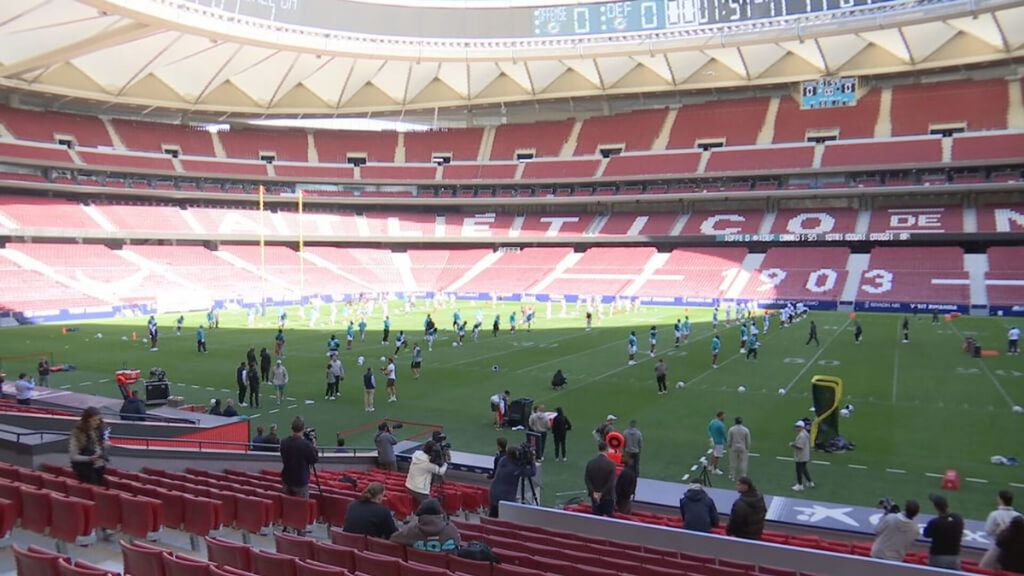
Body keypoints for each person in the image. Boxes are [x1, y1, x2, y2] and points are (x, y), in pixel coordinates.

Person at [390, 498, 460, 553]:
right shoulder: (452, 530)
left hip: (416, 569)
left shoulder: (411, 530)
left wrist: (410, 525)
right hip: (444, 569)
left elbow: (393, 538)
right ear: (440, 513)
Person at [489, 444, 537, 517]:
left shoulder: (503, 460)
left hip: (494, 492)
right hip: (505, 497)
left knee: (493, 513)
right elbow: (532, 472)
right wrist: (532, 462)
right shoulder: (515, 469)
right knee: (504, 517)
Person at [280, 416, 319, 499]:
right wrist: (314, 446)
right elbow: (314, 459)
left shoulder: (284, 442)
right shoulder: (306, 445)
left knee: (288, 504)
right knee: (301, 507)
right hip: (300, 481)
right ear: (303, 429)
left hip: (286, 478)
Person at [981, 490, 1021, 568]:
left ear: (1000, 499)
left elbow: (988, 530)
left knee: (984, 567)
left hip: (998, 546)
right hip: (1015, 549)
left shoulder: (994, 515)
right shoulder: (1019, 516)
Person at [69, 407, 109, 485]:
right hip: (84, 469)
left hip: (98, 468)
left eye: (98, 420)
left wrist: (104, 447)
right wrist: (89, 459)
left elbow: (100, 448)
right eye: (94, 420)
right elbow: (73, 456)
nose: (97, 422)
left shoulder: (99, 430)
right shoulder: (78, 433)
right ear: (87, 420)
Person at [924, 494, 964, 570]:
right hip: (954, 556)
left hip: (938, 557)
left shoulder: (935, 522)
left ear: (935, 507)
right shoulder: (958, 518)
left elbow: (926, 534)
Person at [405, 440, 447, 506]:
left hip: (408, 486)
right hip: (420, 491)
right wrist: (445, 463)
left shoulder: (417, 454)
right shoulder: (427, 463)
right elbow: (441, 471)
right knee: (430, 507)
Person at [584, 441, 616, 517]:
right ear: (606, 449)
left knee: (596, 519)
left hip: (594, 497)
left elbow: (587, 479)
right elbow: (610, 483)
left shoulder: (591, 463)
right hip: (607, 497)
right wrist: (601, 493)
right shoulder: (611, 464)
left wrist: (593, 492)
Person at [790, 420, 814, 491]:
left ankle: (800, 485)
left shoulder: (801, 435)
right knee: (804, 469)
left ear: (801, 427)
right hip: (805, 455)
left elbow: (800, 446)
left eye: (797, 427)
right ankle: (810, 482)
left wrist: (792, 444)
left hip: (801, 456)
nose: (796, 428)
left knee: (799, 471)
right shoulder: (805, 433)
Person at [726, 416, 751, 480]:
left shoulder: (731, 429)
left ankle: (732, 476)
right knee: (743, 462)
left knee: (733, 462)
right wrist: (747, 447)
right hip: (743, 447)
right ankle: (743, 476)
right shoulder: (745, 429)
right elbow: (748, 440)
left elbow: (729, 439)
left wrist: (729, 445)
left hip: (733, 447)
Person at [708, 411, 726, 476]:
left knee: (714, 453)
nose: (724, 417)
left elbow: (709, 429)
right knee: (717, 456)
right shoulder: (720, 424)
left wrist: (712, 436)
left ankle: (710, 466)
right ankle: (715, 469)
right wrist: (726, 441)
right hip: (718, 441)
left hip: (712, 440)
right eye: (723, 416)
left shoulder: (712, 422)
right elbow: (723, 434)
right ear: (720, 416)